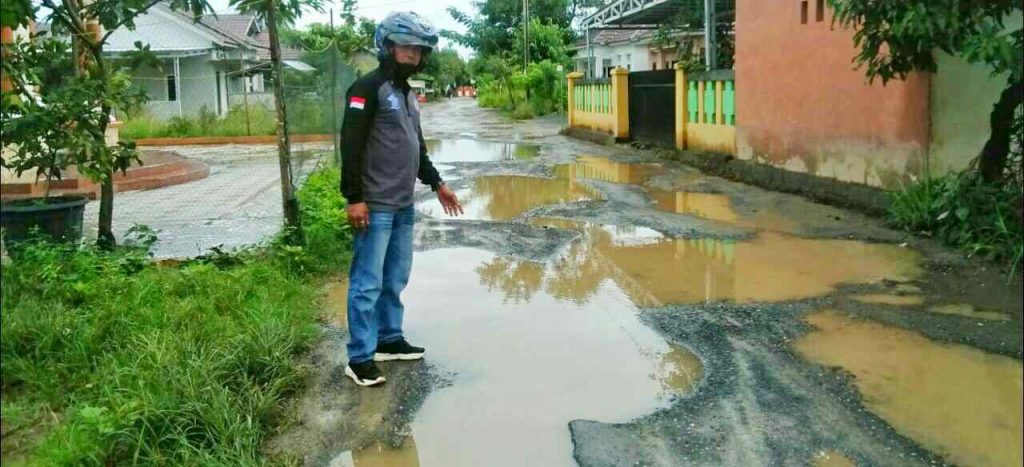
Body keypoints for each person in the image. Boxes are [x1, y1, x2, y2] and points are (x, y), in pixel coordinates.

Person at [339, 11, 463, 387]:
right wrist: (354, 197)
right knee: (367, 282)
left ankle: (389, 339)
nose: (414, 55)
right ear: (388, 46)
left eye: (419, 50)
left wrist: (437, 183)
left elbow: (416, 147)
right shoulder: (366, 88)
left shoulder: (408, 95)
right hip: (374, 205)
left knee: (394, 277)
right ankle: (360, 357)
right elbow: (351, 145)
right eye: (408, 48)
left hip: (403, 204)